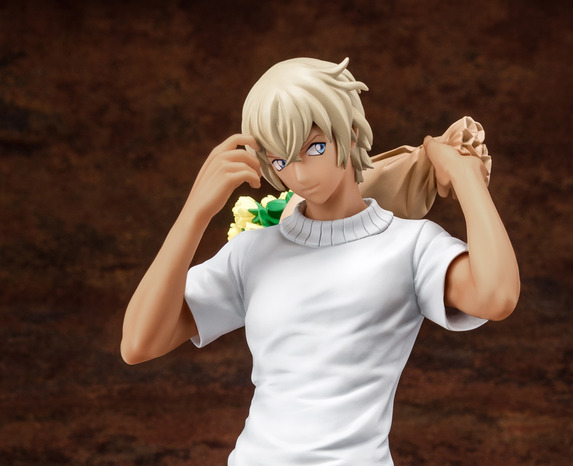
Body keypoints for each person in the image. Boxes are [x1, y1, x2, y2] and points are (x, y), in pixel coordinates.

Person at [121, 57, 520, 465]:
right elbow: (139, 343)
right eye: (280, 160)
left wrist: (464, 173)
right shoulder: (254, 251)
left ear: (349, 134)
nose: (299, 175)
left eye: (314, 147)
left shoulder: (410, 246)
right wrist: (195, 213)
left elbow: (497, 296)